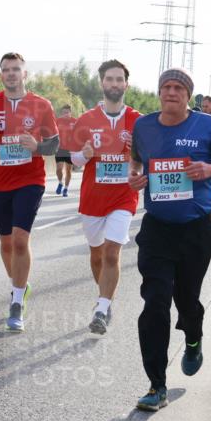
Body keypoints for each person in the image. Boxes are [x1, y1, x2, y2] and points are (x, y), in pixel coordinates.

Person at [129, 68, 211, 411]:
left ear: (188, 95)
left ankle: (193, 337)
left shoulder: (207, 126)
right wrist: (136, 177)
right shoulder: (144, 126)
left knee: (187, 300)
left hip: (196, 229)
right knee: (155, 303)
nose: (171, 92)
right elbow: (136, 162)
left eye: (179, 88)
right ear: (159, 92)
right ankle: (156, 384)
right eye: (166, 87)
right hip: (157, 229)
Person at [0, 52, 59, 332]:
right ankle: (20, 284)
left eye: (16, 69)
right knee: (6, 243)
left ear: (25, 74)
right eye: (6, 70)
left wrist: (37, 147)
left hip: (30, 181)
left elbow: (55, 146)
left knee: (20, 240)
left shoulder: (41, 105)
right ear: (1, 75)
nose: (11, 74)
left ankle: (16, 302)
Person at [69, 59, 141, 335]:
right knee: (97, 255)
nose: (114, 84)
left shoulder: (138, 120)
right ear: (102, 83)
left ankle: (101, 307)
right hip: (92, 198)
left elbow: (147, 159)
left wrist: (139, 154)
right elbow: (73, 160)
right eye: (109, 79)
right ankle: (105, 298)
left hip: (123, 197)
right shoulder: (86, 120)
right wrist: (83, 155)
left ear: (126, 84)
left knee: (112, 252)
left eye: (119, 79)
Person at [54, 104, 76, 197]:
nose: (65, 114)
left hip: (70, 150)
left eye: (67, 112)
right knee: (59, 169)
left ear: (70, 113)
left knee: (68, 170)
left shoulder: (75, 122)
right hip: (59, 149)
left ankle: (66, 188)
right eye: (63, 113)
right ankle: (60, 183)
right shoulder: (57, 121)